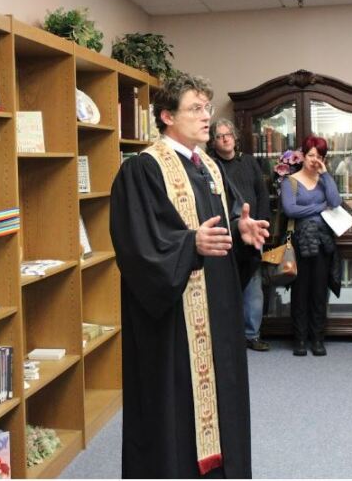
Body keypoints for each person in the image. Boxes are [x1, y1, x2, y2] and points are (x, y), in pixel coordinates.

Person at [110, 73, 268, 478]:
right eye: (195, 109)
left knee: (223, 395)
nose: (206, 118)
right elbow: (138, 245)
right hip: (174, 323)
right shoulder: (143, 170)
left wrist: (241, 233)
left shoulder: (211, 168)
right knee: (176, 412)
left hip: (218, 311)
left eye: (207, 109)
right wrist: (188, 245)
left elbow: (219, 228)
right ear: (166, 116)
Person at [208, 118, 273, 352]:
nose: (225, 139)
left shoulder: (249, 162)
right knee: (224, 286)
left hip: (253, 234)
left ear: (235, 137)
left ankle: (251, 335)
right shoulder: (209, 166)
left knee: (253, 286)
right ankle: (228, 336)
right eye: (219, 136)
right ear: (213, 142)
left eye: (228, 134)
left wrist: (263, 227)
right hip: (224, 235)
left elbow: (262, 195)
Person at [281, 135, 342, 357]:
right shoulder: (290, 181)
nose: (314, 159)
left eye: (319, 156)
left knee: (318, 292)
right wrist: (319, 207)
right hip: (300, 243)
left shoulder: (325, 179)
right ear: (303, 156)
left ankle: (317, 339)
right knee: (300, 292)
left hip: (323, 242)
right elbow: (291, 210)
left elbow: (335, 203)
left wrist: (325, 174)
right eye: (310, 155)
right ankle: (299, 339)